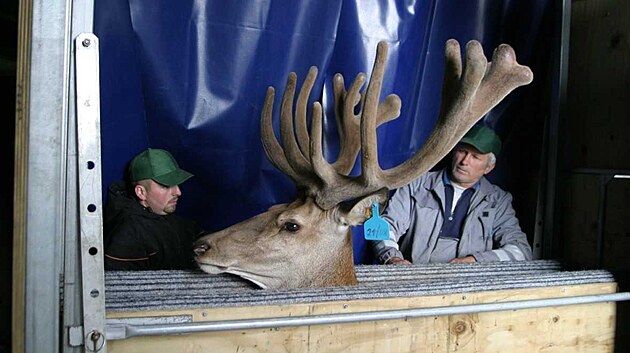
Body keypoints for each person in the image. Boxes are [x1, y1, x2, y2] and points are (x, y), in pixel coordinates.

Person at [373, 125, 533, 265]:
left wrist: (475, 261)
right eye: (462, 151)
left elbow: (520, 250)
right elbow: (384, 227)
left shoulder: (497, 201)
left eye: (475, 157)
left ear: (489, 167)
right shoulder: (417, 185)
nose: (465, 161)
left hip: (468, 288)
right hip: (415, 278)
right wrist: (392, 258)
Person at [103, 148, 204, 270]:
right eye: (166, 186)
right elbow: (124, 286)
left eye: (177, 184)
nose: (178, 192)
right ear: (141, 192)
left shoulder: (178, 222)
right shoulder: (129, 234)